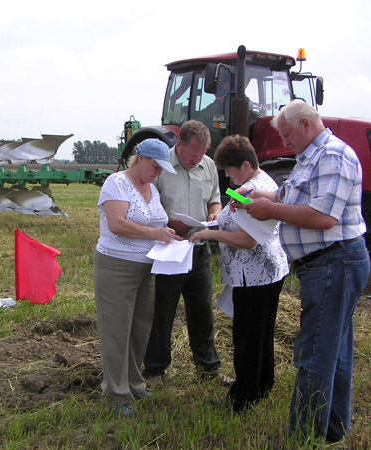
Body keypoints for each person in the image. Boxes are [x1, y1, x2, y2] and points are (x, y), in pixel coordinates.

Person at [235, 100, 371, 442]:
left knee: (314, 355)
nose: (285, 141)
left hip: (334, 264)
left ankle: (302, 438)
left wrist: (270, 211)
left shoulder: (333, 156)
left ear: (307, 124)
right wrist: (256, 198)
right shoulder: (310, 158)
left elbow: (324, 216)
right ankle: (332, 430)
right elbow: (288, 195)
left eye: (287, 134)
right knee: (335, 351)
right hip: (327, 265)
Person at [189, 135, 289, 412]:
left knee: (247, 337)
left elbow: (248, 239)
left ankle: (242, 397)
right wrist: (217, 220)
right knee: (261, 334)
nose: (227, 177)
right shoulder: (261, 185)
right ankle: (260, 385)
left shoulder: (255, 189)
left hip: (254, 274)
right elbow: (234, 213)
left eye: (229, 171)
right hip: (266, 272)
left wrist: (211, 233)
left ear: (245, 165)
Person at [94, 138, 180, 418]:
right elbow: (117, 224)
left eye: (161, 169)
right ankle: (115, 394)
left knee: (140, 327)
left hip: (148, 266)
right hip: (116, 266)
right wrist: (155, 234)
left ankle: (133, 382)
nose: (158, 173)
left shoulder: (152, 189)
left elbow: (159, 222)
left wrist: (170, 236)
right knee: (117, 329)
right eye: (155, 166)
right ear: (140, 158)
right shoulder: (116, 183)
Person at [142, 120, 230, 385]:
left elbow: (214, 197)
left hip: (198, 250)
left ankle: (208, 370)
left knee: (203, 311)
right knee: (162, 312)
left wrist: (215, 213)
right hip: (169, 250)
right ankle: (155, 369)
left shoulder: (209, 166)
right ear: (178, 144)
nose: (196, 160)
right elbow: (147, 205)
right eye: (192, 155)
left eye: (201, 155)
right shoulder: (161, 166)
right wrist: (169, 222)